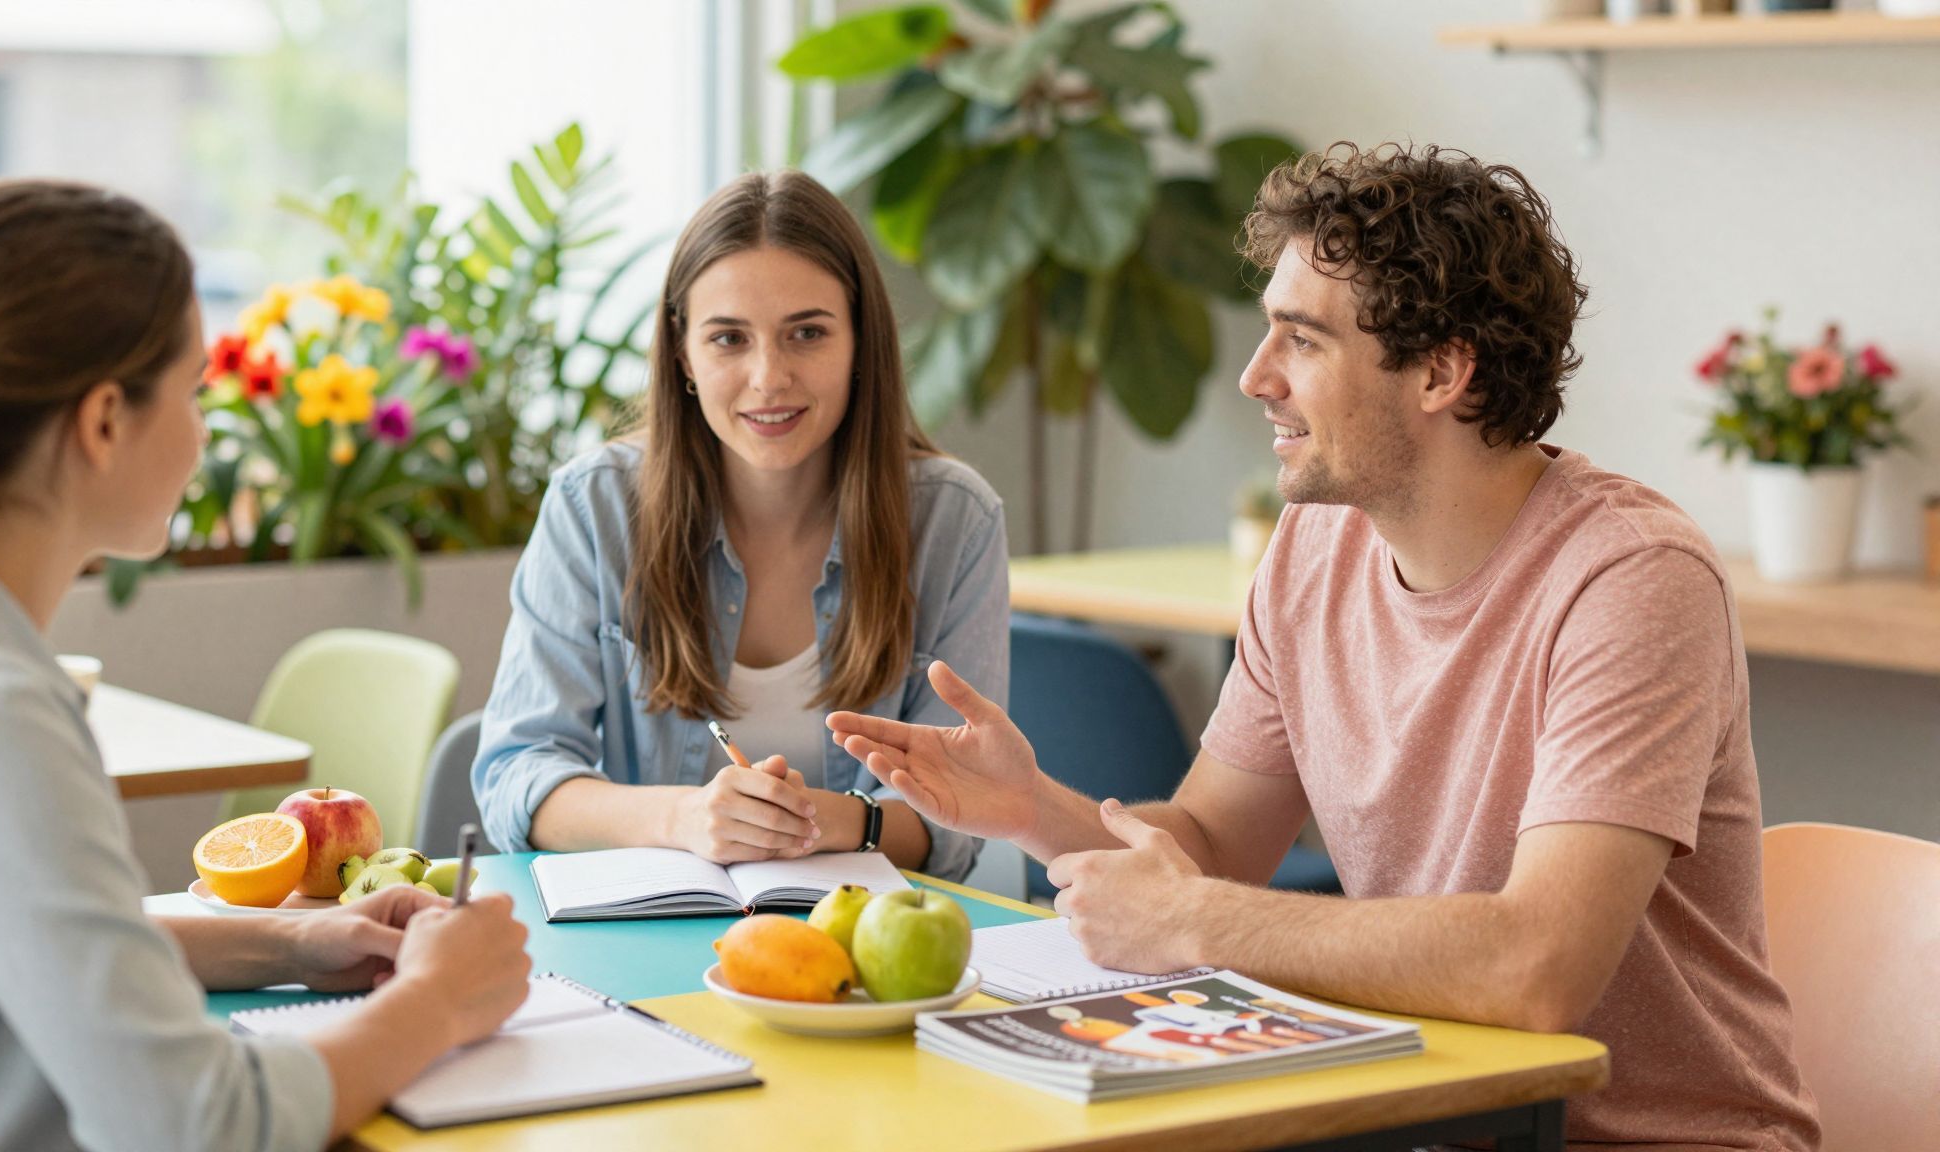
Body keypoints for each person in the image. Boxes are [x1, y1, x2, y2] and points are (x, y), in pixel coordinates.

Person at [829, 144, 1821, 1150]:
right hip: (1425, 1117)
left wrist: (1198, 921)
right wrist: (1030, 809)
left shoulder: (1631, 579)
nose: (1255, 377)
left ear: (1441, 371)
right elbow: (1212, 844)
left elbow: (1537, 968)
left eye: (1300, 341)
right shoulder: (1314, 545)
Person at [0, 180, 533, 1152]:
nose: (206, 430)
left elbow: (47, 947)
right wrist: (440, 1003)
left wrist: (294, 940)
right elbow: (198, 1124)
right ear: (104, 422)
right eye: (194, 391)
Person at [471, 169, 1007, 881]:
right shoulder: (591, 505)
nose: (768, 377)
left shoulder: (955, 519)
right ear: (683, 354)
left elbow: (958, 814)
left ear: (860, 343)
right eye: (728, 338)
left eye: (807, 333)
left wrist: (815, 821)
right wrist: (687, 820)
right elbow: (516, 775)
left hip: (862, 929)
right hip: (650, 927)